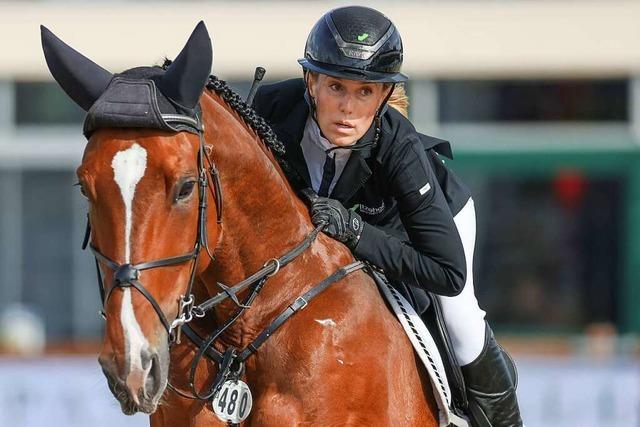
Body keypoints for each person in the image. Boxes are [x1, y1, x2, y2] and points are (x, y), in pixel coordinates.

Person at [253, 6, 523, 426]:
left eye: (365, 92)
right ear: (311, 82)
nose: (347, 108)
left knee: (460, 316)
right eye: (335, 87)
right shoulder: (269, 109)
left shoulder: (399, 148)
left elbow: (445, 271)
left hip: (421, 225)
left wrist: (356, 232)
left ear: (382, 96)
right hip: (324, 231)